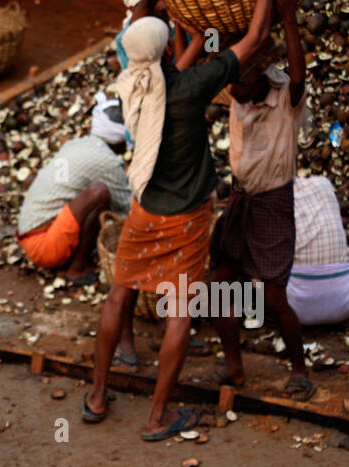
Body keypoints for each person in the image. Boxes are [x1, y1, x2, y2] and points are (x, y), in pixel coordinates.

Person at [83, 0, 274, 441]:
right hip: (185, 218)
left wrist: (189, 36)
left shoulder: (133, 82)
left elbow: (166, 64)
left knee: (118, 295)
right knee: (180, 313)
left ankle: (95, 396)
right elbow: (256, 39)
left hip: (144, 211)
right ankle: (157, 416)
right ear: (168, 48)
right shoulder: (190, 87)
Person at [206, 1, 313, 399]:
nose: (232, 91)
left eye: (239, 82)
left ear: (260, 75)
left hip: (271, 202)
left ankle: (299, 369)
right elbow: (209, 61)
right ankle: (234, 366)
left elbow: (298, 72)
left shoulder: (285, 96)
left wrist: (287, 20)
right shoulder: (239, 93)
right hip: (240, 198)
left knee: (272, 294)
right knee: (220, 284)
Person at [16, 92, 132, 281]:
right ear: (119, 139)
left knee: (98, 192)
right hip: (44, 245)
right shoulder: (107, 161)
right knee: (99, 193)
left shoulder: (79, 144)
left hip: (31, 234)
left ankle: (75, 261)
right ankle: (77, 269)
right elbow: (126, 210)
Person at [283, 177, 349, 327]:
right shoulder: (324, 184)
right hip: (347, 304)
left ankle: (249, 313)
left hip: (290, 310)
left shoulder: (265, 197)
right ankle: (340, 316)